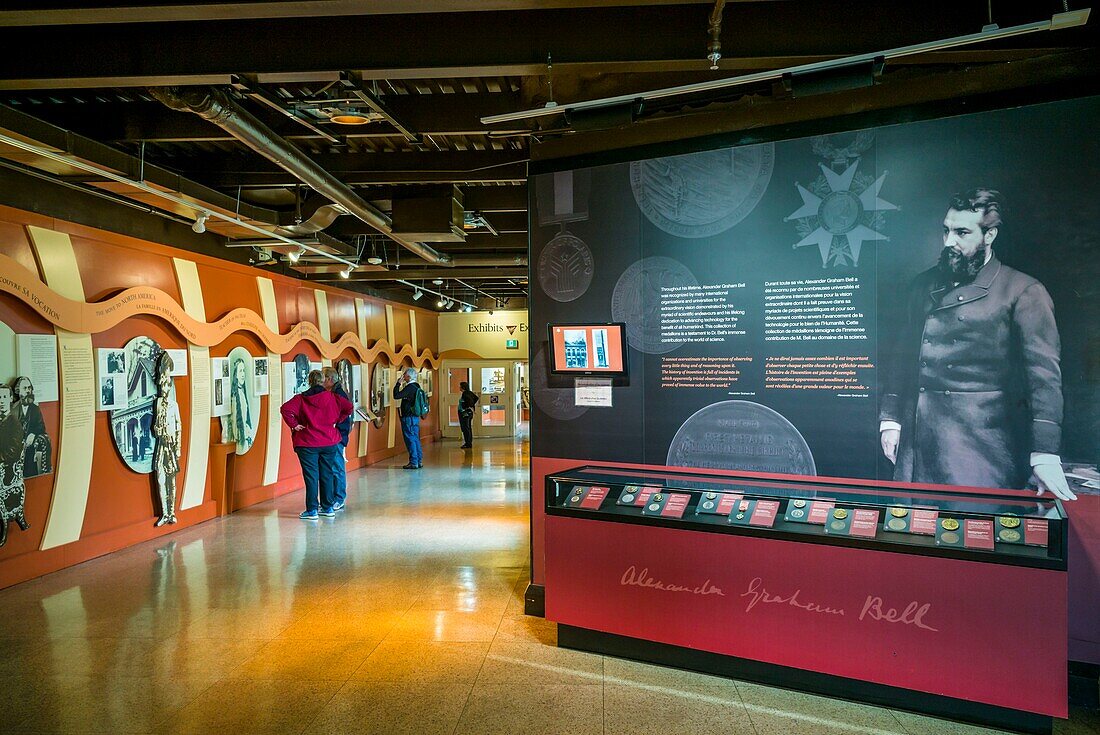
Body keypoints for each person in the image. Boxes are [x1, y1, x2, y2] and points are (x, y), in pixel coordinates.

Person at [879, 188, 1074, 500]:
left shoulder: (1023, 291)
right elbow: (901, 358)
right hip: (917, 443)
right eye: (946, 230)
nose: (948, 242)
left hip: (980, 449)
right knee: (912, 535)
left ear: (990, 235)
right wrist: (890, 419)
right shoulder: (921, 285)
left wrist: (1044, 453)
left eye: (962, 232)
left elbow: (1044, 378)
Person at [281, 370, 353, 520]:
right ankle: (328, 508)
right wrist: (337, 420)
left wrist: (294, 425)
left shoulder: (301, 398)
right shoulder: (333, 397)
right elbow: (349, 408)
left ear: (309, 381)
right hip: (329, 441)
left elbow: (285, 409)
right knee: (327, 474)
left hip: (307, 442)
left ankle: (312, 510)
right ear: (322, 381)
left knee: (311, 476)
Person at [152, 353, 182, 527]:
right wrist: (158, 428)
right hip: (161, 446)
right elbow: (155, 427)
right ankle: (165, 513)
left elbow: (179, 426)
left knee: (172, 479)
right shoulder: (157, 404)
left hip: (171, 446)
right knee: (161, 478)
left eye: (168, 382)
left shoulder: (174, 405)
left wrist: (178, 447)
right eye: (163, 382)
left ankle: (172, 512)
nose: (165, 386)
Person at [0, 384, 28, 547]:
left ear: (11, 399)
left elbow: (12, 453)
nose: (1, 401)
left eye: (4, 397)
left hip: (8, 472)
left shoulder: (14, 424)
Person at [322, 366, 352, 511]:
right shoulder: (334, 393)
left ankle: (339, 498)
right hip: (333, 436)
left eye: (323, 378)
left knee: (337, 468)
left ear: (329, 379)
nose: (321, 381)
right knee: (332, 467)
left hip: (337, 437)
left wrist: (338, 431)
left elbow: (346, 413)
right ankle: (334, 497)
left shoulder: (338, 394)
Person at [12, 376, 51, 478]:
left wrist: (33, 434)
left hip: (30, 447)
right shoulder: (13, 409)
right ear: (17, 391)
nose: (28, 391)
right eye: (25, 388)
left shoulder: (35, 409)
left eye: (29, 388)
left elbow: (41, 426)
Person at [392, 367, 426, 469]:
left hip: (408, 418)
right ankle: (419, 461)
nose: (403, 377)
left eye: (405, 375)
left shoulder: (409, 387)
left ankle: (413, 462)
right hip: (415, 417)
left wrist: (398, 383)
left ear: (409, 376)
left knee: (410, 439)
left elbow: (396, 395)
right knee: (416, 439)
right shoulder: (417, 386)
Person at [229, 358, 254, 452]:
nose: (243, 374)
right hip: (239, 440)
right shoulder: (235, 395)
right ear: (236, 374)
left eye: (244, 370)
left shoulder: (242, 393)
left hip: (244, 438)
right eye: (240, 371)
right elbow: (234, 421)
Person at [458, 381, 479, 449]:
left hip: (465, 413)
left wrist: (466, 406)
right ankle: (469, 442)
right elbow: (476, 398)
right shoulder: (469, 392)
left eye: (460, 386)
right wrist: (471, 405)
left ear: (463, 387)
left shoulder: (465, 394)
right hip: (469, 413)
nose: (459, 387)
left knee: (465, 428)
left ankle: (468, 443)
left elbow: (469, 401)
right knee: (468, 427)